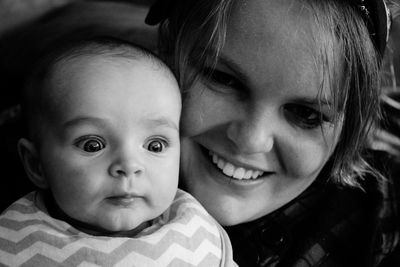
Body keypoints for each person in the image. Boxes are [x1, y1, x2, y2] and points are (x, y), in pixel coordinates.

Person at [145, 0, 400, 266]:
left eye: (306, 114)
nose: (251, 140)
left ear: (349, 128)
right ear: (166, 51)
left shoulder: (380, 221)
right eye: (223, 78)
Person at [0, 37, 235, 266]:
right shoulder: (15, 241)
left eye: (155, 145)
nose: (129, 165)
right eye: (93, 145)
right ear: (36, 164)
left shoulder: (192, 232)